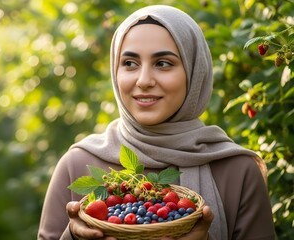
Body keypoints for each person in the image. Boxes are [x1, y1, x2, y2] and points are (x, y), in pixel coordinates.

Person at [38, 5, 275, 240]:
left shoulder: (237, 170)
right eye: (130, 63)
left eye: (163, 63)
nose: (144, 81)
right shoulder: (78, 163)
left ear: (194, 72)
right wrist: (72, 236)